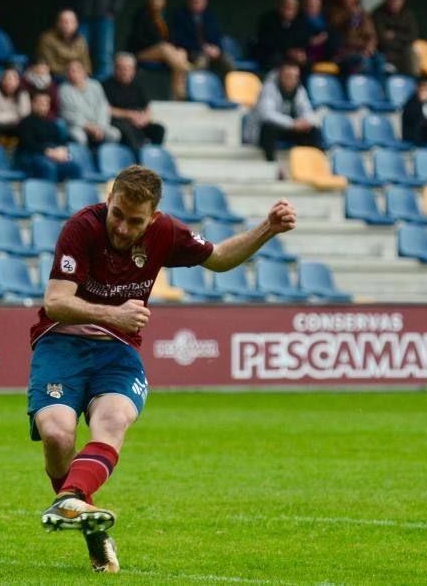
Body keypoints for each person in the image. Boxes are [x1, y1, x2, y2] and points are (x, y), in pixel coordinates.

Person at [30, 165, 297, 573]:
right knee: (56, 434)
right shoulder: (81, 227)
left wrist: (268, 228)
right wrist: (112, 314)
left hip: (117, 352)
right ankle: (92, 527)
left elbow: (221, 258)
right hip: (61, 342)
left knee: (114, 419)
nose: (121, 228)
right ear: (110, 199)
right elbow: (55, 301)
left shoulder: (166, 232)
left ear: (152, 217)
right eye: (117, 214)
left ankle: (71, 500)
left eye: (134, 221)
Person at [243, 60, 324, 162]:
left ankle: (315, 163)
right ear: (281, 74)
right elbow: (266, 114)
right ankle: (270, 163)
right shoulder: (269, 87)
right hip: (262, 131)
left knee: (313, 130)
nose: (291, 80)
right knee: (269, 128)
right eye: (288, 76)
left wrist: (305, 122)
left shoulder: (299, 89)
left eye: (295, 77)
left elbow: (307, 110)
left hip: (288, 128)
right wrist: (292, 123)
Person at [127, 0, 191, 100]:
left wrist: (171, 48)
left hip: (165, 54)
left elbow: (172, 38)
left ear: (164, 1)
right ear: (148, 0)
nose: (156, 1)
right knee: (165, 48)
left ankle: (178, 92)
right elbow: (140, 39)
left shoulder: (166, 16)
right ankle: (189, 67)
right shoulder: (142, 15)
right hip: (143, 52)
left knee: (181, 52)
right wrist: (160, 45)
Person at [102, 53, 165, 157]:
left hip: (138, 121)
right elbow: (106, 109)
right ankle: (138, 162)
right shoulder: (106, 85)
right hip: (119, 121)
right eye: (121, 68)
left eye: (128, 68)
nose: (124, 72)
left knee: (158, 130)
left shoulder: (138, 84)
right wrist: (129, 115)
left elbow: (148, 106)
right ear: (115, 69)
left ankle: (154, 158)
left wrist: (145, 118)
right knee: (130, 132)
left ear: (133, 70)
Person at [17, 91, 81, 182]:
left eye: (46, 103)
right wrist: (49, 152)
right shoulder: (25, 123)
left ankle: (76, 195)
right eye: (40, 102)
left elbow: (62, 141)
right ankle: (49, 195)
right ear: (33, 104)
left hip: (51, 156)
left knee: (74, 166)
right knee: (48, 166)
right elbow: (28, 145)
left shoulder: (51, 123)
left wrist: (62, 150)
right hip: (31, 156)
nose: (43, 106)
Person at [171, 0, 234, 77]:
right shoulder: (180, 16)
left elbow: (217, 35)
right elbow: (179, 39)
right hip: (192, 51)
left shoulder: (209, 17)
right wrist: (202, 48)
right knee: (202, 61)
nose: (197, 2)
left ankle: (229, 89)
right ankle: (198, 89)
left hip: (210, 51)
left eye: (201, 0)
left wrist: (216, 49)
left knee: (228, 61)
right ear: (189, 0)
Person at [59, 59, 120, 147]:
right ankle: (85, 158)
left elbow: (103, 108)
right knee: (79, 137)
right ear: (67, 74)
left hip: (99, 125)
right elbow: (68, 115)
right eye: (71, 71)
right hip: (78, 126)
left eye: (77, 70)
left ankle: (103, 156)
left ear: (84, 71)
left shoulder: (96, 85)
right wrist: (89, 128)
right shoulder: (63, 90)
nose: (74, 73)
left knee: (115, 134)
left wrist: (99, 127)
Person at [330, 0, 384, 80]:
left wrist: (369, 48)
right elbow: (348, 38)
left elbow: (372, 35)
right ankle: (366, 89)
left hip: (364, 49)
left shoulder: (363, 14)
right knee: (365, 61)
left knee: (379, 58)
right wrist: (351, 18)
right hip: (347, 52)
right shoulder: (336, 13)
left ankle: (380, 89)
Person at [371, 0, 419, 77]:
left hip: (403, 51)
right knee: (379, 59)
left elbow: (413, 36)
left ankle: (413, 85)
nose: (394, 2)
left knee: (412, 55)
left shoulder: (408, 14)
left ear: (403, 0)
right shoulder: (378, 13)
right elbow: (381, 38)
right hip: (384, 51)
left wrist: (395, 35)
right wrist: (402, 38)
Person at [254, 0, 311, 71]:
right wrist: (288, 51)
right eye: (286, 6)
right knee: (276, 59)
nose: (289, 10)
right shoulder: (268, 20)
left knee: (306, 61)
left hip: (293, 56)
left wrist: (299, 53)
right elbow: (267, 42)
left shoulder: (301, 21)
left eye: (292, 8)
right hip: (271, 54)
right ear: (280, 7)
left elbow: (303, 40)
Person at [38, 9, 92, 78]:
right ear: (57, 23)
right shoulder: (47, 38)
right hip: (57, 76)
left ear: (76, 24)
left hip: (79, 76)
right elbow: (48, 64)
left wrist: (83, 73)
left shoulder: (81, 39)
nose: (68, 24)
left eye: (72, 21)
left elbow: (86, 63)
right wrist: (72, 71)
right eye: (64, 21)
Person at [0, 66, 30, 137]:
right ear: (1, 80)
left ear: (18, 81)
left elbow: (25, 113)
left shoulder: (22, 93)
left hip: (15, 129)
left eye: (13, 79)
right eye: (7, 79)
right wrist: (15, 117)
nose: (9, 82)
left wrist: (6, 116)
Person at [303, 0, 329, 64]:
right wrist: (310, 41)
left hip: (326, 57)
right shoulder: (298, 20)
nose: (313, 6)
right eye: (310, 3)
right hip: (307, 57)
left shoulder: (326, 19)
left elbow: (333, 36)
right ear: (305, 5)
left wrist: (325, 36)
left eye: (316, 3)